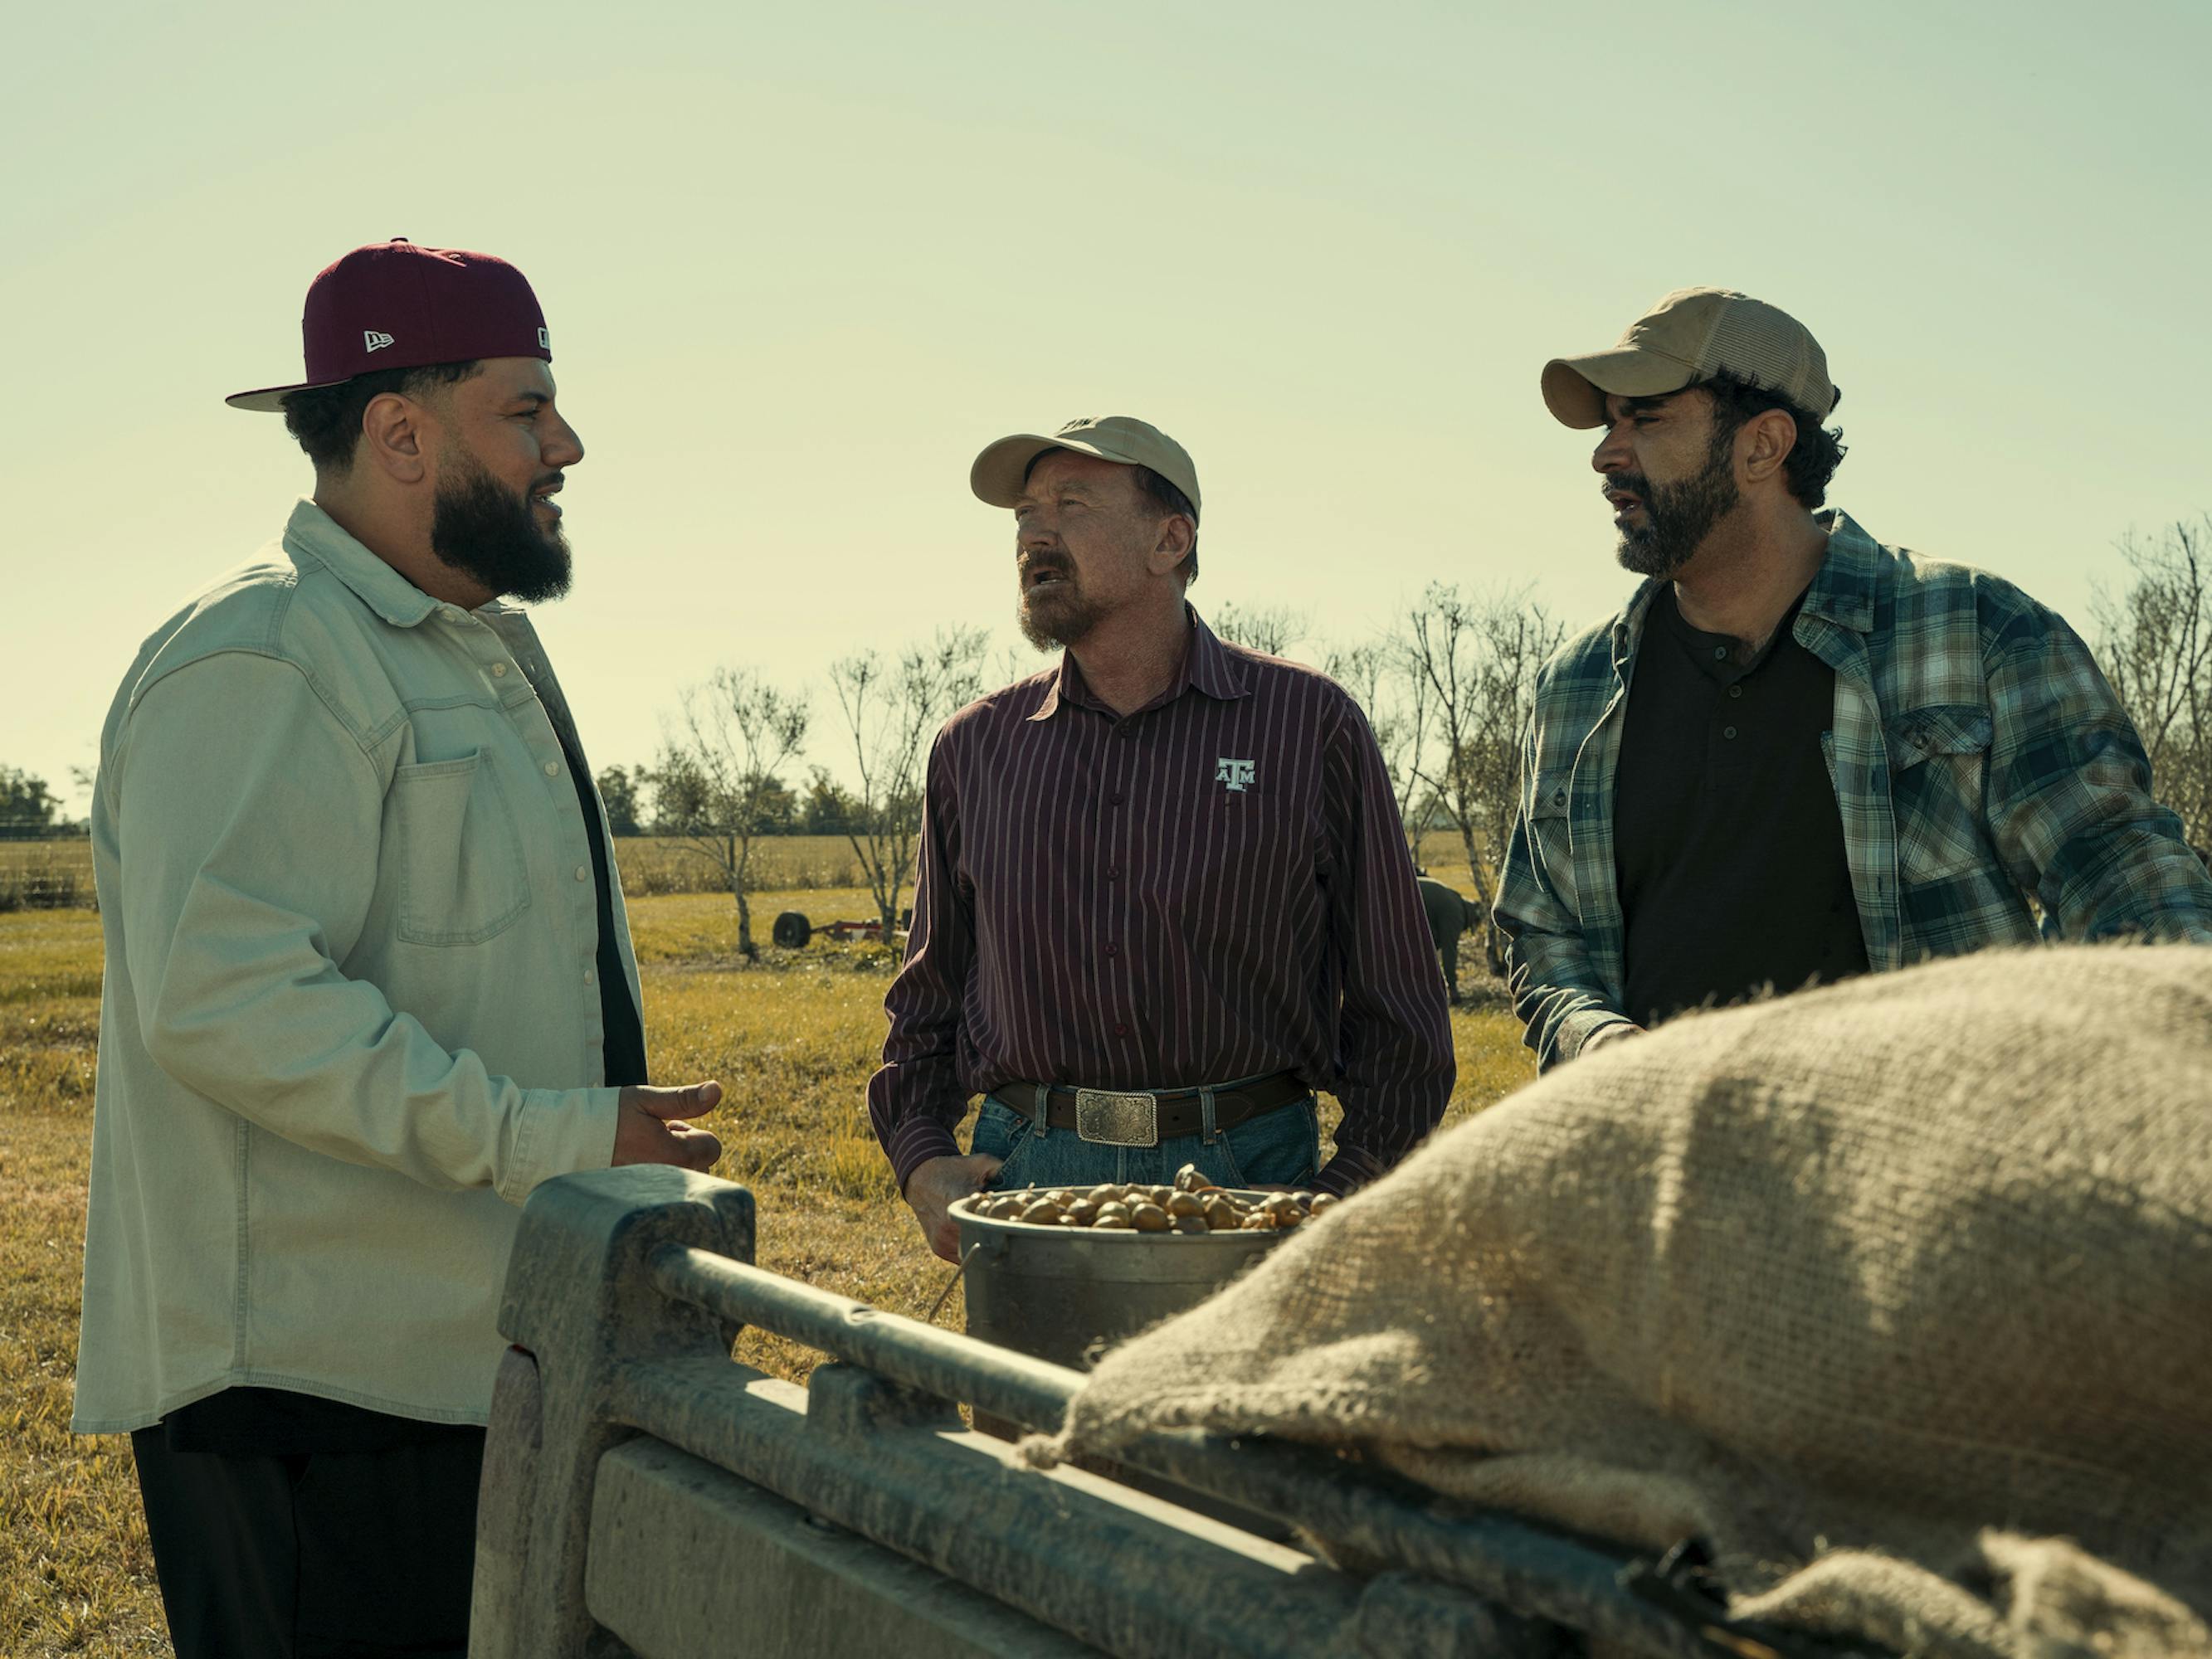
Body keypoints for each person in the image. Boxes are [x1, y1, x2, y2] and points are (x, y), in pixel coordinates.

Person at [72, 237, 726, 1659]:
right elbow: (230, 1002)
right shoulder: (265, 650)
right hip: (317, 1405)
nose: (567, 443)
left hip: (463, 1372)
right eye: (527, 408)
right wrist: (549, 1134)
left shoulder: (468, 646)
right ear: (401, 430)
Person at [1497, 286, 2212, 1071]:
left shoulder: (1979, 630)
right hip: (1663, 1179)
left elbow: (2120, 876)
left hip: (1926, 1170)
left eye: (1648, 416)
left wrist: (2183, 1050)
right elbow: (1543, 932)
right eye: (1607, 423)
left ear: (1763, 446)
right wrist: (1596, 1041)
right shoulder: (1575, 689)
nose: (1606, 453)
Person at [869, 416, 1454, 1262]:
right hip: (1024, 1173)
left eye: (1071, 502)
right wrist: (921, 1157)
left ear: (1169, 538)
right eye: (1025, 513)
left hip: (1251, 1178)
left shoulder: (1305, 723)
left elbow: (1397, 1002)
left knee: (1224, 1404)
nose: (1035, 531)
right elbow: (926, 1000)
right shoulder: (975, 747)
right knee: (1027, 1401)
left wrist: (1347, 1187)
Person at [1414, 873, 1480, 1004]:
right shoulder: (1456, 913)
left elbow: (1431, 942)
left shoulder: (1454, 900)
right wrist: (1453, 988)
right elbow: (1449, 951)